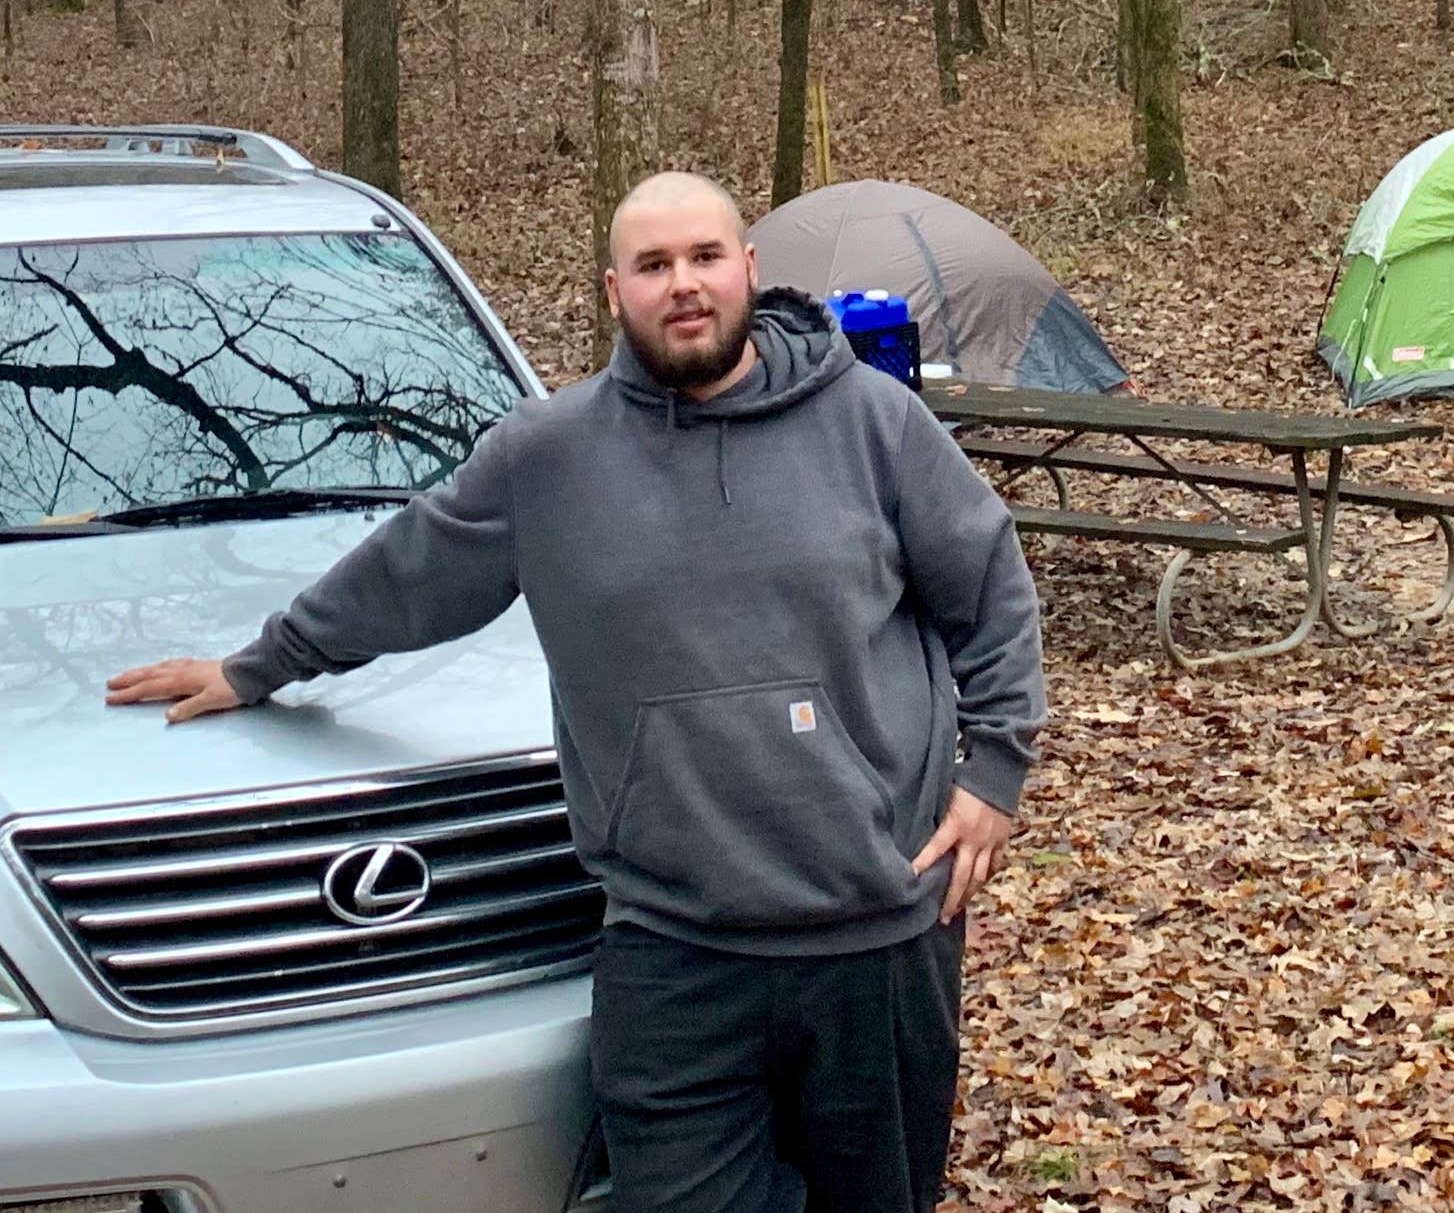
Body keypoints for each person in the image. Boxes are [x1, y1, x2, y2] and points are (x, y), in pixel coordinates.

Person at [109, 170, 1044, 1213]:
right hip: (672, 949)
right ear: (614, 291)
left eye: (701, 258)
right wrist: (256, 665)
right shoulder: (547, 459)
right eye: (652, 266)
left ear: (748, 270)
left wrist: (994, 771)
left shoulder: (874, 423)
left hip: (878, 937)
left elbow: (988, 582)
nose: (681, 285)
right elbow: (405, 577)